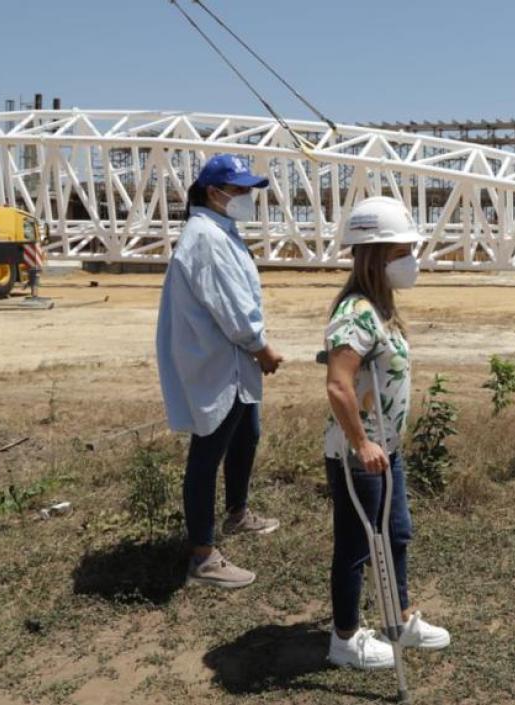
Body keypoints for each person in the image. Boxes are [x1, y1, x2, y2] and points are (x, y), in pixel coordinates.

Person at [323, 196, 451, 670]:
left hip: (386, 451)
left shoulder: (382, 308)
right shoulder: (355, 312)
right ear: (376, 255)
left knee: (397, 533)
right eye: (402, 252)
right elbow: (338, 385)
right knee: (357, 545)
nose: (412, 261)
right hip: (360, 454)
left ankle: (400, 616)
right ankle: (345, 638)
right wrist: (361, 442)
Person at [156, 154, 285, 589]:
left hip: (229, 359)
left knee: (246, 431)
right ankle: (202, 555)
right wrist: (261, 347)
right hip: (221, 359)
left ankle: (237, 512)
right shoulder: (207, 238)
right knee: (207, 454)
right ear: (215, 192)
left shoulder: (217, 232)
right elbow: (230, 305)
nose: (248, 197)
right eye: (242, 190)